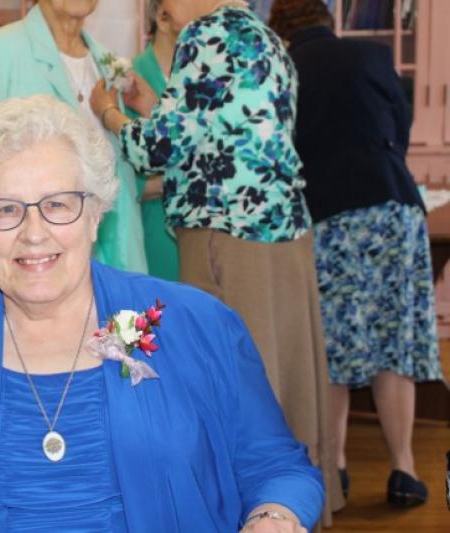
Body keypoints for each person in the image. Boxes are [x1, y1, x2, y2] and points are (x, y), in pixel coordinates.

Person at [0, 94, 324, 532]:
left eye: (58, 204)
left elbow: (277, 466)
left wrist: (272, 516)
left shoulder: (195, 325)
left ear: (95, 214)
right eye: (5, 210)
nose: (33, 233)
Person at [89, 0, 343, 523]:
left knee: (234, 379)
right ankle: (288, 509)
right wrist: (150, 103)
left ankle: (247, 511)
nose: (164, 8)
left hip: (228, 237)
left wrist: (109, 112)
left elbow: (157, 150)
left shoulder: (205, 35)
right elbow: (218, 130)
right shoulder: (264, 38)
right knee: (284, 375)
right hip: (282, 236)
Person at [268, 0, 444, 507]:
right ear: (328, 22)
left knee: (334, 349)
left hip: (327, 218)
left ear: (281, 33)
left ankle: (337, 467)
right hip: (392, 207)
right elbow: (400, 129)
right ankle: (404, 470)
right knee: (394, 343)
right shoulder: (373, 56)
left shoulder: (282, 71)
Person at [0, 0, 147, 298]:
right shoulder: (0, 50)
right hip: (10, 264)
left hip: (96, 266)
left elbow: (118, 180)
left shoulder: (105, 61)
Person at [127, 0, 180, 281]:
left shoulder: (203, 79)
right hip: (152, 233)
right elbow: (120, 176)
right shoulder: (130, 82)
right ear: (162, 16)